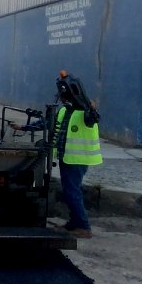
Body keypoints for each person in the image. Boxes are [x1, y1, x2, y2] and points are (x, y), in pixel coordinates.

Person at [51, 70, 102, 239]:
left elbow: (93, 118)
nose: (60, 97)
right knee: (70, 191)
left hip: (77, 160)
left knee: (72, 193)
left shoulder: (85, 113)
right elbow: (49, 124)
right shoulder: (65, 111)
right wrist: (23, 128)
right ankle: (74, 223)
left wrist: (91, 107)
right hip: (67, 158)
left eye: (62, 94)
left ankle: (83, 226)